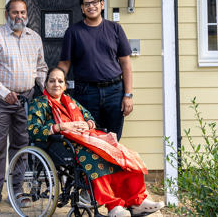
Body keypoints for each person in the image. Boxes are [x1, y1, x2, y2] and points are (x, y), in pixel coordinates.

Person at [28, 67, 164, 217]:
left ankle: (137, 202)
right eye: (52, 80)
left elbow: (88, 117)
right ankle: (114, 206)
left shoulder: (70, 101)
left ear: (65, 86)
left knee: (123, 155)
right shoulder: (39, 103)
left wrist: (87, 124)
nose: (56, 84)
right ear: (45, 84)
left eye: (60, 81)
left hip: (86, 139)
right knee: (97, 158)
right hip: (63, 145)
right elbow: (34, 130)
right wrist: (62, 126)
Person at [0, 0, 48, 214]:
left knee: (21, 146)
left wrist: (46, 91)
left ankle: (16, 191)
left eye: (23, 12)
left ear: (27, 14)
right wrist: (4, 93)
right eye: (15, 12)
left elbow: (41, 67)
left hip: (26, 99)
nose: (19, 16)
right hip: (1, 101)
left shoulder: (34, 38)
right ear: (7, 13)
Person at [58, 0, 133, 138]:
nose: (91, 6)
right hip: (86, 93)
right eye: (87, 4)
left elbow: (125, 63)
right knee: (88, 138)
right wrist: (56, 86)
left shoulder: (115, 29)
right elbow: (65, 63)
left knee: (113, 138)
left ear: (102, 4)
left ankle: (110, 162)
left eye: (95, 2)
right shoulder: (73, 32)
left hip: (114, 92)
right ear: (82, 8)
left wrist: (128, 95)